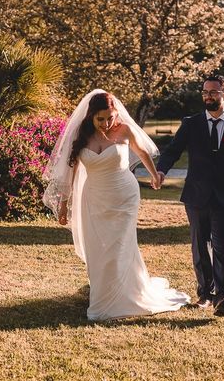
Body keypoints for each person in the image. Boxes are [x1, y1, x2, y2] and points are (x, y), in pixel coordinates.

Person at [43, 89, 190, 321]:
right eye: (100, 119)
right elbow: (70, 172)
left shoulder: (125, 130)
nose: (106, 123)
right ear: (91, 116)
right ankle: (102, 290)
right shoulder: (81, 136)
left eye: (110, 117)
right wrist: (63, 204)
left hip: (124, 196)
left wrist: (154, 175)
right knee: (98, 248)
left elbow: (142, 152)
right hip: (93, 199)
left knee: (119, 245)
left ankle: (118, 298)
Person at [156, 75, 224, 317]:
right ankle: (205, 295)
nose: (208, 96)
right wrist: (160, 170)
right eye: (205, 92)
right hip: (196, 197)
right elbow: (173, 150)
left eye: (213, 92)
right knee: (200, 247)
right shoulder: (191, 123)